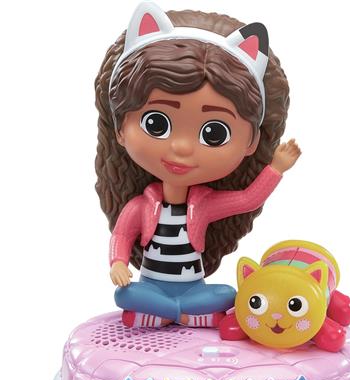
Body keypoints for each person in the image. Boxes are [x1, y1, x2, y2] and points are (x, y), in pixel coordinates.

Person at [95, 2, 301, 328]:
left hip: (193, 289)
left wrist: (276, 167)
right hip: (149, 286)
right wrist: (118, 263)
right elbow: (121, 235)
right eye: (156, 123)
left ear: (251, 141)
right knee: (126, 295)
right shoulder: (140, 206)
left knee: (228, 295)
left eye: (214, 133)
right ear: (120, 128)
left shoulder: (204, 205)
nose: (181, 147)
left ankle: (166, 313)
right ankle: (180, 314)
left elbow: (248, 199)